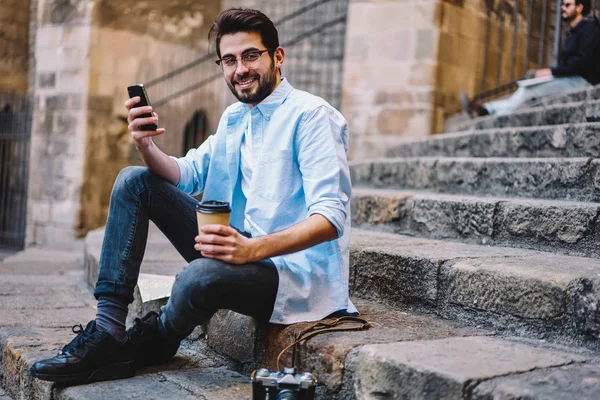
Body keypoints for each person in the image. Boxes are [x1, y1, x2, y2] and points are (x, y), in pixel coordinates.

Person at [30, 7, 356, 384]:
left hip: (292, 272)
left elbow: (329, 219)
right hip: (235, 248)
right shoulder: (235, 118)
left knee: (196, 277)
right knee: (133, 180)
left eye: (251, 55)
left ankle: (155, 340)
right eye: (229, 60)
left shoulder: (313, 116)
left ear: (277, 56)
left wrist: (253, 249)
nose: (240, 70)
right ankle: (106, 332)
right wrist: (146, 146)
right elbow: (185, 174)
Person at [461, 0, 600, 117]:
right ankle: (488, 110)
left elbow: (582, 63)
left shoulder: (590, 29)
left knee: (530, 90)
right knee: (527, 87)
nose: (562, 8)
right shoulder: (574, 32)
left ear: (579, 7)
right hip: (570, 78)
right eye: (562, 5)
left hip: (582, 81)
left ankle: (487, 110)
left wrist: (552, 72)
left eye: (567, 5)